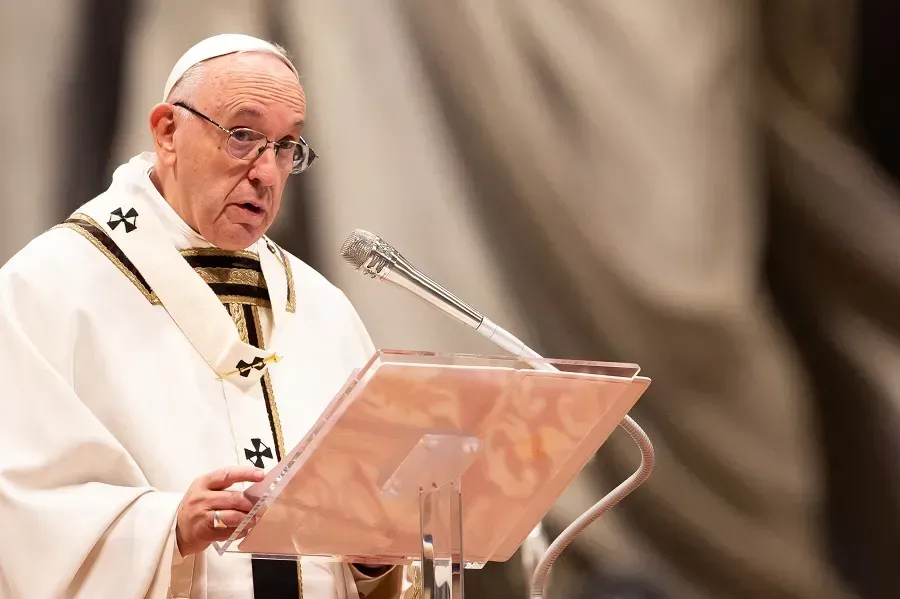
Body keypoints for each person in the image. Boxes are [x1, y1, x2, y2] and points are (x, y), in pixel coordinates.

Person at [0, 34, 413, 599]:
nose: (267, 174)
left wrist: (372, 560)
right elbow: (19, 508)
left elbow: (372, 521)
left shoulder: (320, 308)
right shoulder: (49, 287)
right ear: (168, 131)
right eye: (243, 136)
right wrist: (166, 528)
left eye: (287, 146)